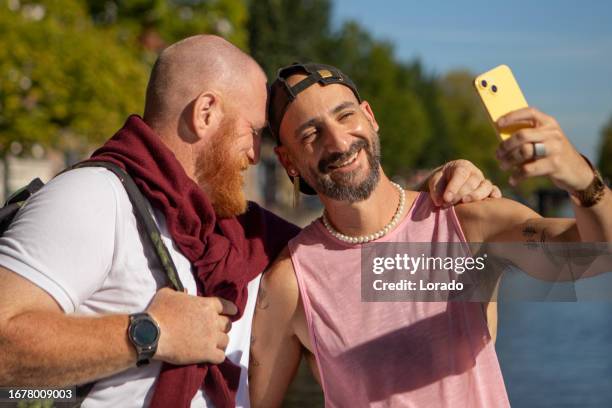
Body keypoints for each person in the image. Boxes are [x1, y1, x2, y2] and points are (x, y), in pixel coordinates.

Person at [0, 36, 498, 407]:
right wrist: (149, 334)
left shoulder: (247, 236)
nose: (257, 154)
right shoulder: (92, 197)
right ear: (206, 113)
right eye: (254, 131)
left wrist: (445, 203)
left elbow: (365, 251)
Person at [249, 63, 611, 407]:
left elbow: (597, 255)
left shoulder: (469, 223)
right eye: (311, 134)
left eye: (345, 115)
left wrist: (581, 180)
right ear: (288, 161)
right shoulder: (290, 281)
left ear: (370, 117)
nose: (339, 142)